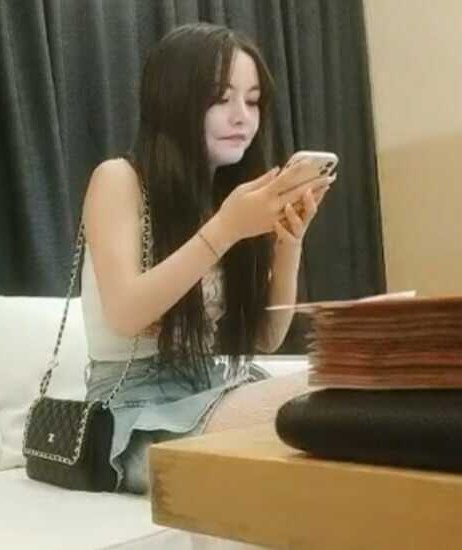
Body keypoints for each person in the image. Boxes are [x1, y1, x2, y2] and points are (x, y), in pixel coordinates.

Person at [81, 23, 333, 494]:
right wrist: (227, 228)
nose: (242, 117)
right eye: (221, 99)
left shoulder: (225, 198)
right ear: (173, 99)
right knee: (326, 399)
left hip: (214, 386)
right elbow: (125, 314)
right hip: (135, 406)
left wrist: (288, 240)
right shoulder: (118, 179)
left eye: (252, 101)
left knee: (346, 388)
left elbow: (266, 338)